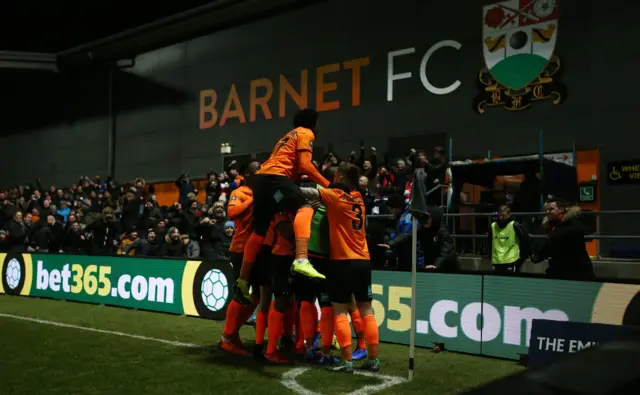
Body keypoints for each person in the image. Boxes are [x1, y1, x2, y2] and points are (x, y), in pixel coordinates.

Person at [235, 109, 331, 304]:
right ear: (312, 122)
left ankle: (243, 279)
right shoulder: (306, 132)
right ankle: (302, 259)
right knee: (305, 208)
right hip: (275, 180)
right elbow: (305, 165)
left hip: (262, 181)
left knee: (259, 232)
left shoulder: (286, 137)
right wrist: (329, 185)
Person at [301, 163, 380, 374]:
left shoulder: (335, 196)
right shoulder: (360, 199)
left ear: (343, 177)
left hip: (342, 261)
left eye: (337, 175)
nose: (334, 178)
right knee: (366, 310)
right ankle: (373, 359)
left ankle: (347, 362)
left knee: (339, 311)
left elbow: (307, 192)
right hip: (363, 261)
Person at [219, 161, 262, 356]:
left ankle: (233, 331)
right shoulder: (240, 192)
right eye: (257, 171)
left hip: (257, 250)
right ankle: (227, 337)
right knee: (241, 293)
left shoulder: (261, 191)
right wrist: (253, 200)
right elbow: (231, 212)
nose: (260, 174)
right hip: (240, 249)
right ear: (247, 173)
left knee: (258, 295)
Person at [531, 199, 595, 280]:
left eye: (551, 209)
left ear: (561, 209)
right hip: (558, 269)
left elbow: (553, 243)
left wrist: (538, 256)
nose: (548, 211)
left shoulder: (572, 223)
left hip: (577, 271)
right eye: (546, 209)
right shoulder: (549, 224)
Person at [488, 205, 530, 273]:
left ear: (509, 215)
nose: (501, 218)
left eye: (503, 215)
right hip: (497, 261)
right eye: (500, 215)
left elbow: (525, 239)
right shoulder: (493, 226)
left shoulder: (515, 225)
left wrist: (522, 256)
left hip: (511, 260)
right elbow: (489, 242)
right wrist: (489, 256)